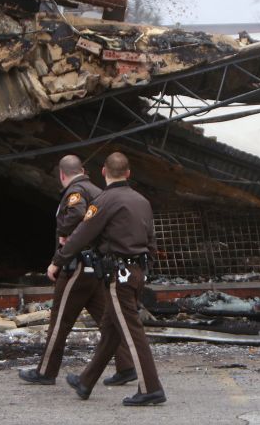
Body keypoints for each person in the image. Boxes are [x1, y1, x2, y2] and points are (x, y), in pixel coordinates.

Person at [48, 152, 165, 406]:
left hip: (119, 275)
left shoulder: (104, 201)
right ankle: (86, 381)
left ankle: (151, 388)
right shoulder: (142, 201)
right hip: (136, 272)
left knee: (132, 332)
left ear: (103, 171)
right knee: (111, 329)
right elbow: (151, 241)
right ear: (129, 173)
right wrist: (145, 270)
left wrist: (57, 260)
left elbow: (81, 234)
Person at [19, 155, 136, 386]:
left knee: (60, 320)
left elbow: (76, 215)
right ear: (83, 169)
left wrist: (64, 235)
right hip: (96, 268)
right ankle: (127, 365)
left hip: (78, 266)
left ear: (62, 175)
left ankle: (45, 371)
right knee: (107, 322)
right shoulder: (97, 191)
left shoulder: (76, 192)